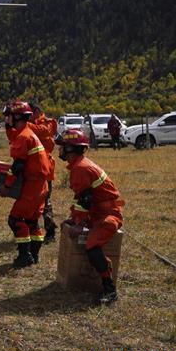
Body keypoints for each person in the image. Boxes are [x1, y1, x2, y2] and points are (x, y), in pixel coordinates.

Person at [57, 129, 124, 305]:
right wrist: (74, 218)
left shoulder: (81, 168)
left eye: (62, 147)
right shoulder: (80, 165)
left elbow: (86, 200)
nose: (60, 150)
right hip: (98, 213)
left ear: (70, 149)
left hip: (108, 215)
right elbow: (83, 199)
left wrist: (78, 224)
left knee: (92, 245)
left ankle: (110, 290)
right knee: (90, 244)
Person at [0, 101, 49, 268]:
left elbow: (18, 165)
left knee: (16, 220)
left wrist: (7, 186)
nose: (8, 119)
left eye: (10, 116)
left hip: (33, 185)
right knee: (32, 221)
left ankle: (24, 255)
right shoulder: (27, 133)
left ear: (17, 116)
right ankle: (34, 255)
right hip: (41, 184)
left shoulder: (24, 136)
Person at [30, 103, 58, 243]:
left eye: (28, 114)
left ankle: (50, 231)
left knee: (45, 200)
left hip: (45, 169)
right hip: (30, 169)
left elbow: (42, 131)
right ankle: (32, 230)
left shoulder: (49, 123)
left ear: (36, 112)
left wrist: (23, 125)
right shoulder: (28, 124)